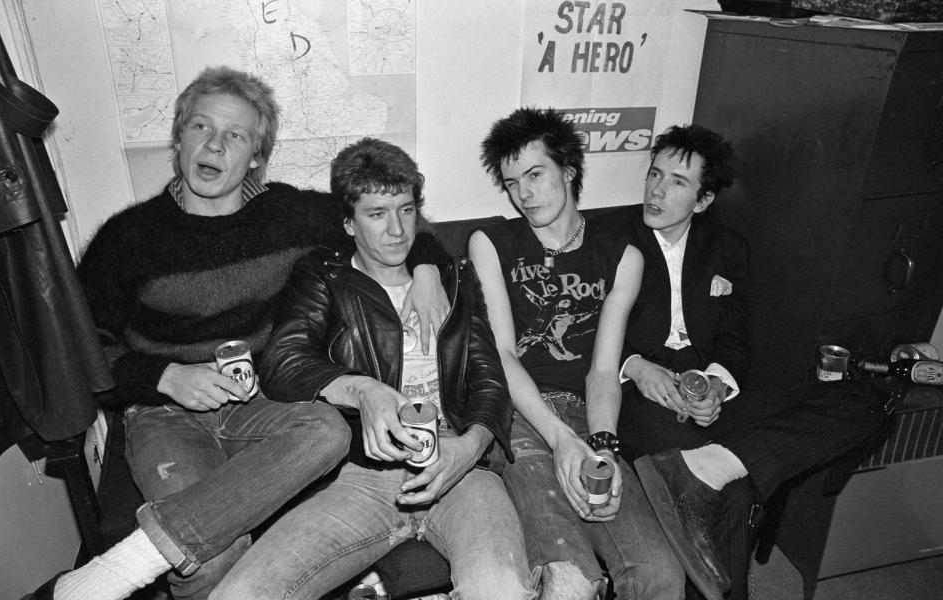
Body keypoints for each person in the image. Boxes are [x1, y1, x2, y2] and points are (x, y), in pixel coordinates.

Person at [23, 66, 450, 600]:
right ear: (179, 139)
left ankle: (127, 564)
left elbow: (392, 223)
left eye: (236, 135)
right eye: (202, 128)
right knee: (211, 560)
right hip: (166, 414)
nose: (215, 145)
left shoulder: (289, 215)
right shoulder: (127, 238)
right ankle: (146, 560)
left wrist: (429, 267)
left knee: (327, 430)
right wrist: (165, 376)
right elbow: (84, 354)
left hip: (265, 400)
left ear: (256, 157)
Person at [208, 138, 534, 600]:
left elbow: (488, 376)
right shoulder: (325, 276)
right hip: (365, 478)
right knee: (241, 593)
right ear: (348, 222)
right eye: (377, 214)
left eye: (405, 210)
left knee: (500, 590)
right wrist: (362, 389)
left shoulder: (453, 276)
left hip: (461, 468)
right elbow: (283, 360)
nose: (397, 230)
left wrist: (471, 446)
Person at [615, 124, 890, 599]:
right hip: (642, 392)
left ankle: (713, 463)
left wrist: (718, 384)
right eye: (654, 175)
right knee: (735, 494)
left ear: (702, 201)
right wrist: (636, 366)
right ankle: (716, 475)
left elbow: (736, 339)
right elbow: (583, 331)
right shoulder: (611, 238)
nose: (656, 190)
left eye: (677, 182)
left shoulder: (727, 248)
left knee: (865, 403)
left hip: (707, 382)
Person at [468, 107, 690, 600]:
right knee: (570, 583)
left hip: (591, 416)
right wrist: (560, 438)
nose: (524, 193)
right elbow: (503, 354)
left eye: (535, 174)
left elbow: (605, 371)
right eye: (511, 183)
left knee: (659, 576)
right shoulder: (493, 242)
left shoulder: (622, 257)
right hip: (520, 418)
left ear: (568, 170)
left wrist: (604, 446)